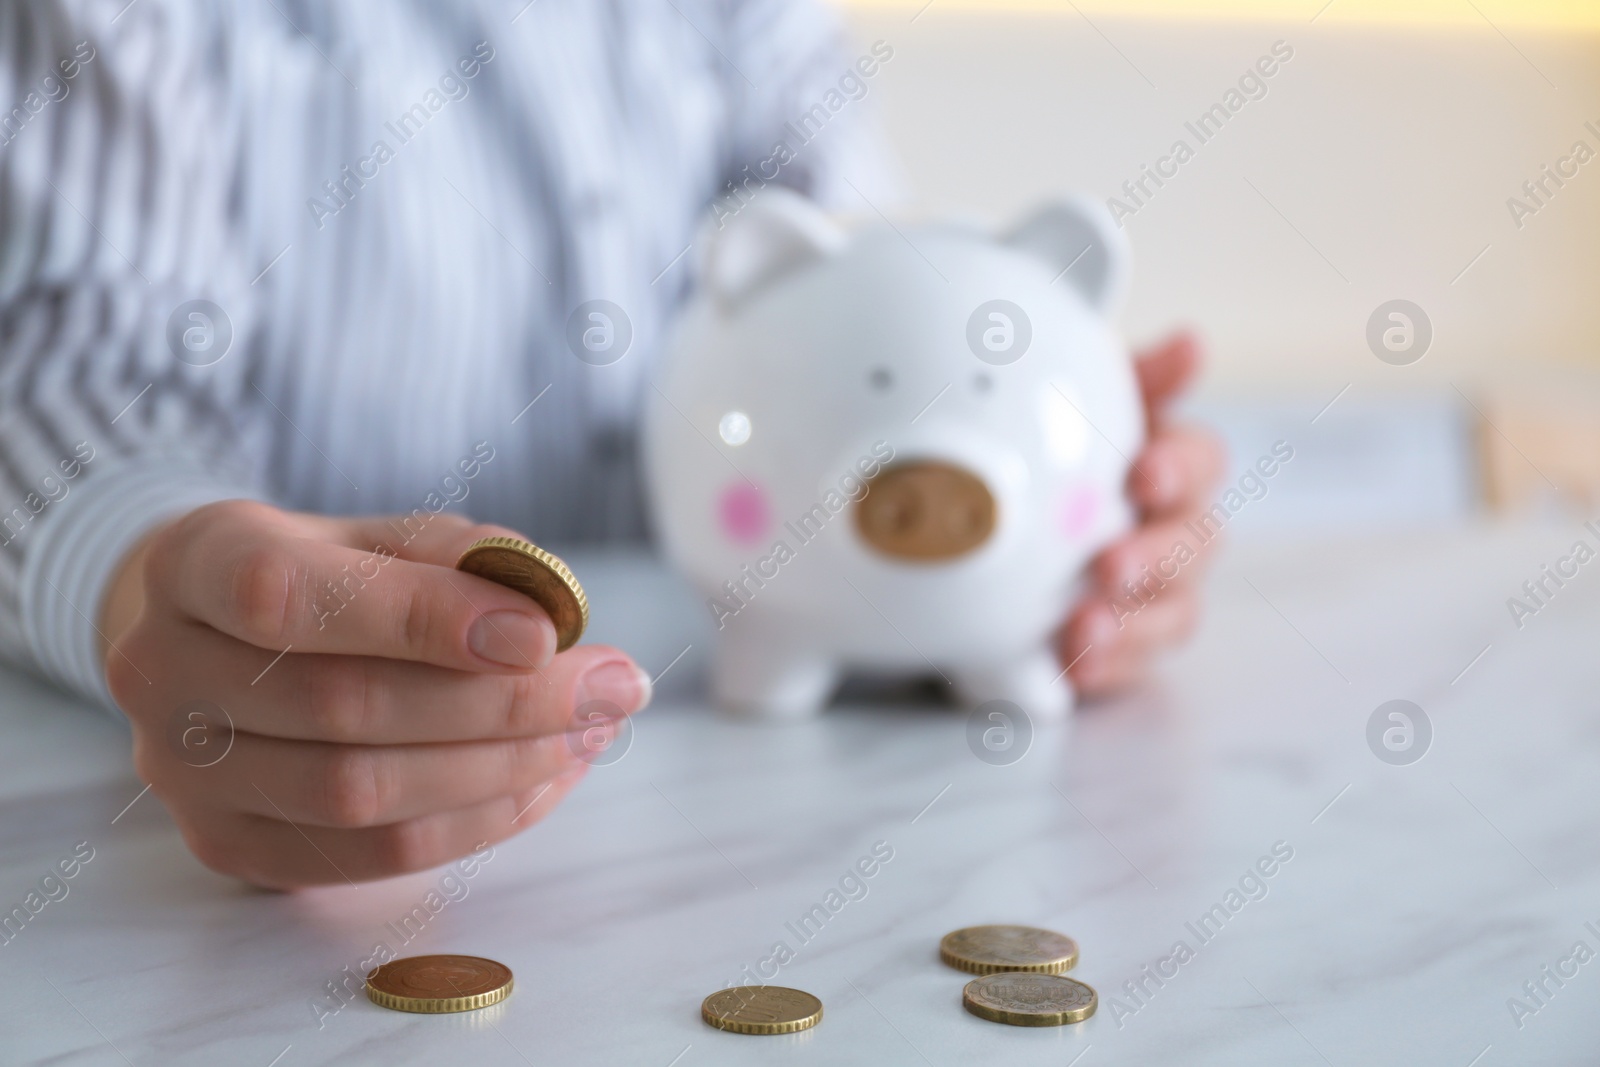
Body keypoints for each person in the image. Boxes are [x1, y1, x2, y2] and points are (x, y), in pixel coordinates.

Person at [0, 0, 1222, 888]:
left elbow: (852, 276)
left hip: (737, 790)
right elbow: (81, 381)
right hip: (264, 816)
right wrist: (153, 572)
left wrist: (1082, 492)